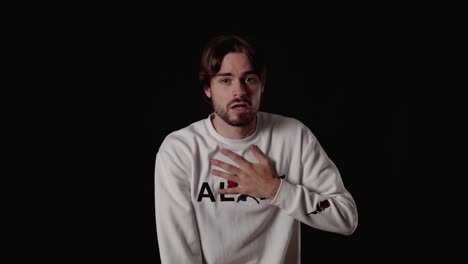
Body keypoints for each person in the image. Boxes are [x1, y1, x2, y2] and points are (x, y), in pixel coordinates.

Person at [154, 34, 358, 263]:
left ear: (262, 84)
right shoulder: (180, 150)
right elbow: (178, 255)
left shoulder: (293, 137)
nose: (239, 91)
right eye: (225, 80)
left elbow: (345, 217)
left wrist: (276, 189)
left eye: (249, 79)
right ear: (207, 88)